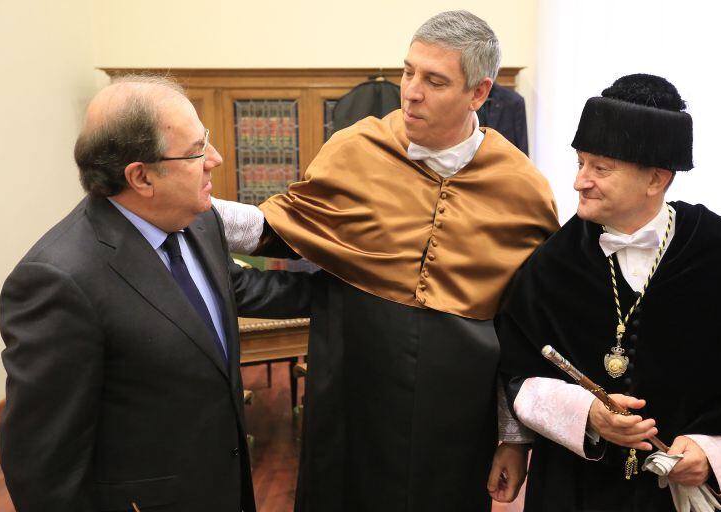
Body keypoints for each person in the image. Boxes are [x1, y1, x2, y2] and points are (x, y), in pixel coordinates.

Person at [212, 10, 559, 511]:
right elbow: (277, 228)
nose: (412, 91)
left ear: (479, 93)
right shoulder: (356, 149)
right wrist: (189, 210)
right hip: (353, 389)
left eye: (435, 80)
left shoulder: (522, 188)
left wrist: (513, 437)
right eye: (408, 71)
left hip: (458, 411)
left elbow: (521, 330)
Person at [0, 76, 312, 512]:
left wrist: (345, 292)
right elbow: (43, 465)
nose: (215, 160)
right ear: (141, 176)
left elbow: (233, 287)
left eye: (208, 141)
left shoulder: (199, 220)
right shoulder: (57, 281)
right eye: (197, 151)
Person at [496, 73, 721, 512]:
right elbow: (518, 374)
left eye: (600, 168)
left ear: (656, 179)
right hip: (573, 490)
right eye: (580, 163)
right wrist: (587, 415)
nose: (579, 181)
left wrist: (712, 454)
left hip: (682, 494)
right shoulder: (551, 264)